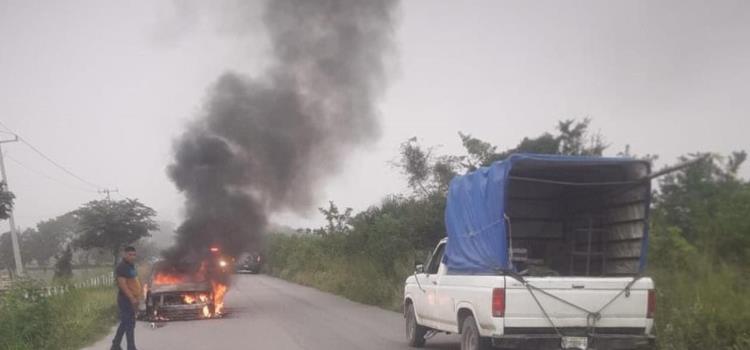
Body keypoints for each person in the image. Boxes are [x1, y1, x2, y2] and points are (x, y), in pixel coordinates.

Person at [111, 246, 141, 350]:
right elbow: (123, 285)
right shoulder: (122, 267)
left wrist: (137, 297)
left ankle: (115, 345)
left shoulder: (130, 265)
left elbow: (133, 281)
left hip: (132, 298)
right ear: (124, 254)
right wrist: (132, 298)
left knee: (125, 322)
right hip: (126, 299)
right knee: (129, 324)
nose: (132, 257)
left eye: (134, 254)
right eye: (130, 254)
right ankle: (131, 347)